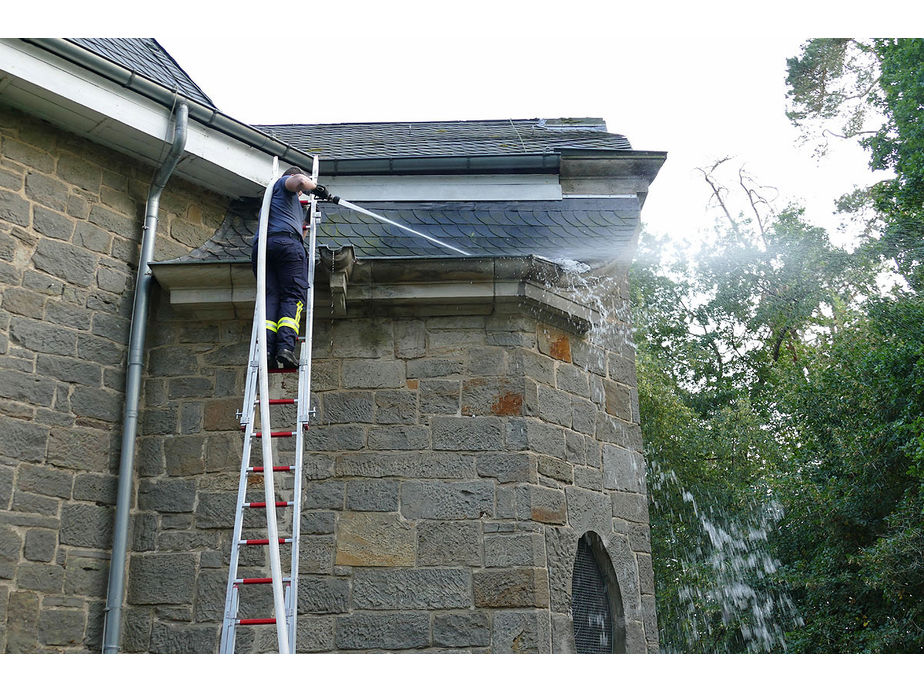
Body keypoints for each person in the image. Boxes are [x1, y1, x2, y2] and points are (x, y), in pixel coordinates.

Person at [252, 166, 336, 369]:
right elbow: (298, 180)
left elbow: (300, 233)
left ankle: (268, 350)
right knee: (293, 296)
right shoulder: (282, 185)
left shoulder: (277, 204)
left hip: (263, 249)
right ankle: (285, 348)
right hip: (286, 246)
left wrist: (307, 219)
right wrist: (316, 188)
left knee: (270, 297)